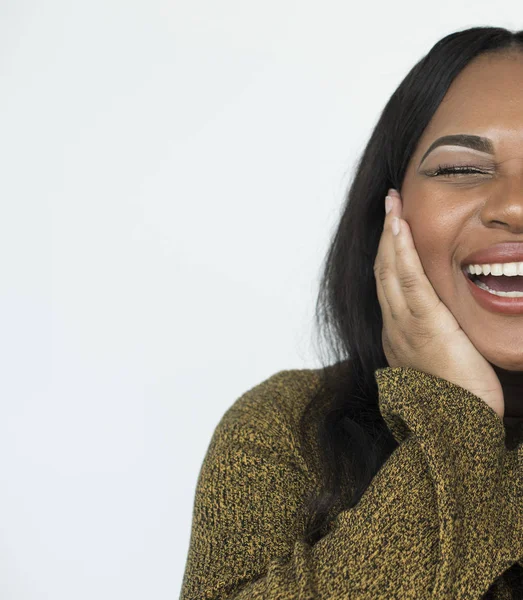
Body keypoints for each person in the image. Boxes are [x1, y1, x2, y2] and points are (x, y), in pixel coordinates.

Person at [179, 26, 523, 599]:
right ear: (391, 212)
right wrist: (453, 423)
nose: (515, 205)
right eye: (462, 169)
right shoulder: (286, 426)